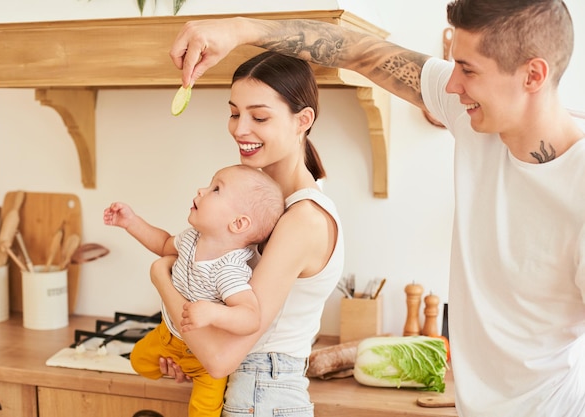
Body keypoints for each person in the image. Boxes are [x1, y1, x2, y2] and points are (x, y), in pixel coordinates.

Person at [167, 1, 585, 417]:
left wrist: (159, 276)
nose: (452, 84)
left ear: (533, 75)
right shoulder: (471, 117)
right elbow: (360, 52)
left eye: (469, 70)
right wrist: (239, 29)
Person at [151, 50, 344, 417]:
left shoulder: (302, 219)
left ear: (302, 120)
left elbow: (222, 358)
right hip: (252, 391)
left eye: (259, 116)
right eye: (235, 113)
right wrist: (186, 350)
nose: (240, 129)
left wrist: (161, 277)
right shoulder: (269, 204)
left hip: (261, 395)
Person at [103, 164, 285, 417]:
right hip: (169, 334)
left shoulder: (229, 269)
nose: (201, 190)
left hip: (204, 360)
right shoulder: (192, 238)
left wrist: (212, 313)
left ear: (239, 223)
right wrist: (131, 222)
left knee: (203, 412)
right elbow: (164, 243)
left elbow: (250, 317)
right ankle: (176, 365)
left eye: (216, 189)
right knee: (139, 362)